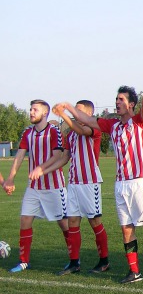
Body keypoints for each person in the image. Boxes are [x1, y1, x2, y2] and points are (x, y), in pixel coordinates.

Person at [57, 70, 143, 284]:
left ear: (131, 104)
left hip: (139, 182)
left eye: (121, 99)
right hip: (120, 185)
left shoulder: (140, 122)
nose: (117, 103)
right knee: (126, 228)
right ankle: (134, 271)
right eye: (116, 99)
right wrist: (68, 107)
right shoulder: (112, 125)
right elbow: (87, 118)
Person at [33, 100, 111, 275]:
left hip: (89, 182)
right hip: (74, 182)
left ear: (88, 114)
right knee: (73, 222)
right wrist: (44, 169)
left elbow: (81, 129)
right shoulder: (71, 135)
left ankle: (104, 261)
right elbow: (64, 158)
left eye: (80, 111)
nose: (77, 114)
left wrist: (63, 115)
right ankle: (74, 262)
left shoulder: (93, 129)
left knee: (94, 222)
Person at [2, 100, 70, 273]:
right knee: (25, 220)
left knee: (63, 223)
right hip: (33, 187)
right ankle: (24, 261)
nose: (31, 112)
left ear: (45, 113)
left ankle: (74, 259)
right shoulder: (27, 133)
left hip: (54, 186)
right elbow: (19, 156)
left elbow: (57, 156)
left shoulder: (53, 131)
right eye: (30, 109)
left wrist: (41, 168)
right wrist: (10, 178)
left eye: (35, 110)